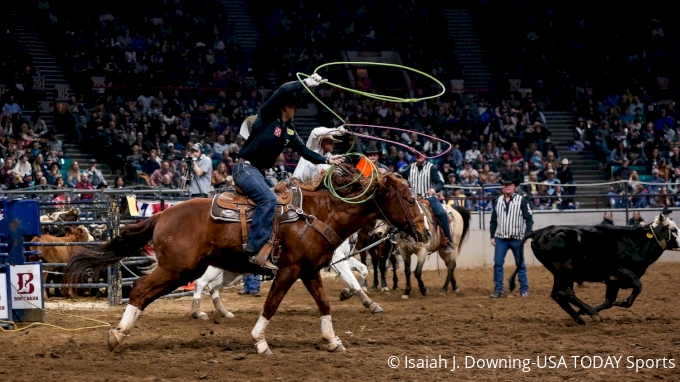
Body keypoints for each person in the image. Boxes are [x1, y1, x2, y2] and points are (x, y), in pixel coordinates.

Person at [234, 74, 344, 270]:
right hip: (244, 168)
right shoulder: (267, 117)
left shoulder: (289, 131)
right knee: (269, 200)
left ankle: (276, 247)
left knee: (288, 202)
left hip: (257, 172)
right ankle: (254, 250)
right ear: (285, 107)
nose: (296, 111)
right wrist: (304, 83)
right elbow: (283, 89)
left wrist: (326, 159)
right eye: (294, 107)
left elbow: (305, 151)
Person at [489, 172, 533, 298]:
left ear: (515, 187)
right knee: (498, 263)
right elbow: (493, 220)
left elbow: (529, 219)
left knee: (520, 264)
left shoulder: (522, 201)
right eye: (505, 184)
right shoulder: (498, 201)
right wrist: (492, 236)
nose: (507, 186)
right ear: (503, 187)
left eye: (510, 184)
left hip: (517, 238)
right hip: (501, 238)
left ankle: (524, 289)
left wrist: (526, 234)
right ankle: (498, 289)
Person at [399, 152, 453, 251]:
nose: (419, 156)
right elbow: (399, 176)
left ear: (425, 155)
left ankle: (447, 240)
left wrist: (434, 189)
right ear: (414, 156)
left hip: (429, 198)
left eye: (421, 154)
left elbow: (441, 182)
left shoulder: (432, 167)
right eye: (416, 154)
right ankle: (399, 244)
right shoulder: (410, 168)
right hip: (413, 199)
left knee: (441, 213)